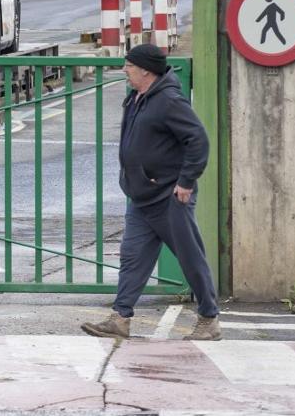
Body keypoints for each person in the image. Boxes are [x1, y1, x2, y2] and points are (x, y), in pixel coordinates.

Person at [81, 43, 221, 341]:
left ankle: (209, 320)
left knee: (189, 257)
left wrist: (185, 181)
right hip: (141, 195)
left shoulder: (168, 100)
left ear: (146, 69)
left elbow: (198, 140)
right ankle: (120, 318)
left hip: (169, 197)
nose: (124, 70)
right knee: (132, 257)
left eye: (129, 65)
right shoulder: (138, 98)